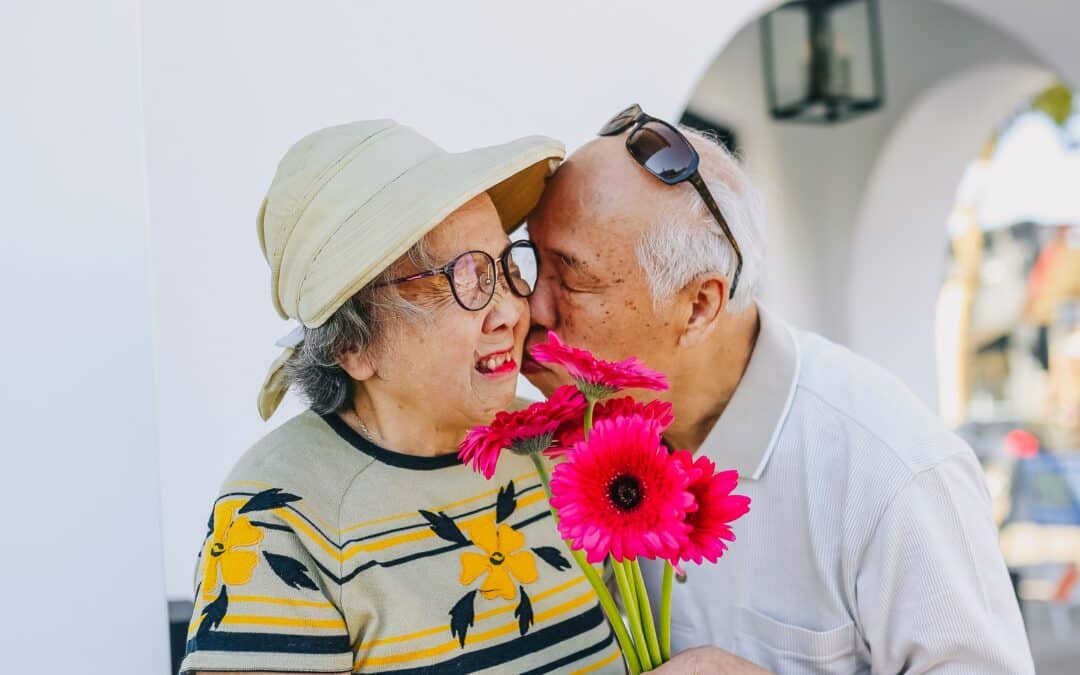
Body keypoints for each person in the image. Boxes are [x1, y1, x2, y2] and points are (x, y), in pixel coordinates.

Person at [522, 104, 1036, 674]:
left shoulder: (889, 467)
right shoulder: (573, 436)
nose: (532, 307)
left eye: (570, 278)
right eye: (530, 261)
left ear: (698, 306)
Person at [179, 119, 631, 674]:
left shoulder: (553, 443)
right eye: (464, 280)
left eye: (507, 266)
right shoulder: (276, 517)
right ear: (355, 345)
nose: (514, 311)